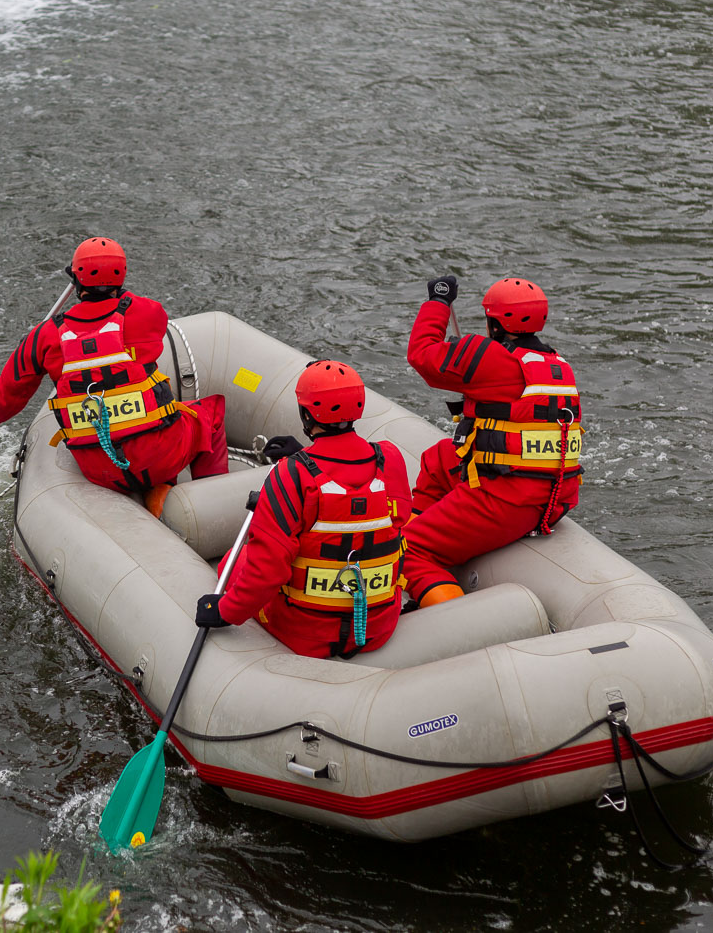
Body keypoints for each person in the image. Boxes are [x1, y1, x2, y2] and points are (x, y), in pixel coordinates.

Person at [0, 238, 227, 511]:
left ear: (76, 279)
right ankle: (207, 508)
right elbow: (150, 314)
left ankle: (160, 487)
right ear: (123, 274)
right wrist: (117, 290)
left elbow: (7, 401)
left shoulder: (44, 336)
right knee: (211, 414)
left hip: (99, 467)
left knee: (141, 433)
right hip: (159, 455)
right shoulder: (144, 313)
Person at [194, 360, 413, 658]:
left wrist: (223, 611)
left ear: (306, 414)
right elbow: (368, 511)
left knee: (236, 558)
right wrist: (304, 455)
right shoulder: (389, 459)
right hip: (376, 627)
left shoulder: (291, 476)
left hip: (303, 634)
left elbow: (266, 572)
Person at [398, 275, 584, 608]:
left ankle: (447, 609)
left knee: (405, 549)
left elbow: (422, 355)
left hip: (507, 498)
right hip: (553, 494)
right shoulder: (558, 365)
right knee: (440, 458)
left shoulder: (489, 357)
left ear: (494, 322)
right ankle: (424, 525)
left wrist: (438, 301)